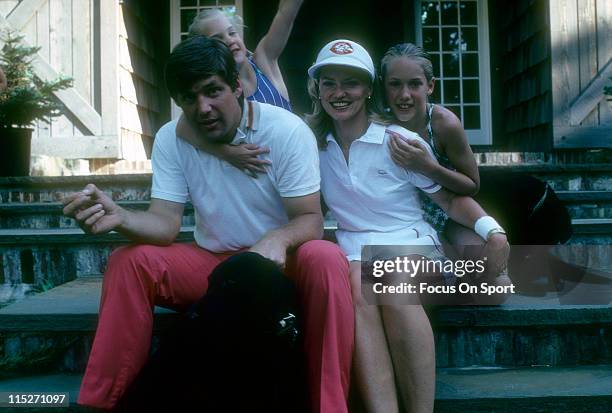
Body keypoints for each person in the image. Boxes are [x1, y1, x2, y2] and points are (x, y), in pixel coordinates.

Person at [62, 36, 354, 413]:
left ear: (237, 85)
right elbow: (165, 224)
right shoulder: (172, 137)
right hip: (214, 263)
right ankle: (102, 402)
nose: (203, 108)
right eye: (189, 98)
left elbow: (310, 219)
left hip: (284, 264)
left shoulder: (286, 131)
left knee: (328, 258)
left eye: (213, 91)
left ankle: (329, 407)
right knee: (127, 261)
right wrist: (122, 217)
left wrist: (278, 239)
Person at [305, 39, 510, 413]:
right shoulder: (311, 145)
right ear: (316, 89)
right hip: (354, 252)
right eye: (329, 83)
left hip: (412, 244)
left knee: (393, 284)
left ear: (368, 89)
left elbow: (448, 198)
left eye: (350, 83)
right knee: (356, 284)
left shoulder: (399, 141)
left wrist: (492, 230)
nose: (339, 93)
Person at [380, 43, 572, 247]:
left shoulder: (443, 124)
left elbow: (472, 185)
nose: (404, 94)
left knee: (482, 259)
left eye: (414, 84)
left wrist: (428, 167)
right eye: (395, 84)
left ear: (430, 86)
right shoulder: (377, 124)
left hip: (446, 213)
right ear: (383, 85)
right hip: (398, 218)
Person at [176, 1, 303, 175]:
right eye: (218, 39)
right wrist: (227, 153)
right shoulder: (213, 92)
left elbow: (285, 14)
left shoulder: (264, 61)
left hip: (296, 166)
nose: (230, 40)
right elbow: (181, 128)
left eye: (232, 32)